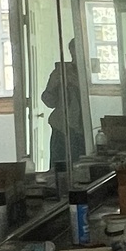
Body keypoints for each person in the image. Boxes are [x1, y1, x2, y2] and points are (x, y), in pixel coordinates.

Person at [43, 40, 88, 173]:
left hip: (84, 129)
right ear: (71, 51)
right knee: (59, 169)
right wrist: (53, 85)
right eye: (74, 50)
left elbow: (98, 98)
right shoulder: (60, 72)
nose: (76, 54)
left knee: (82, 168)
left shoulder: (90, 72)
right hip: (61, 128)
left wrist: (79, 84)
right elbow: (49, 102)